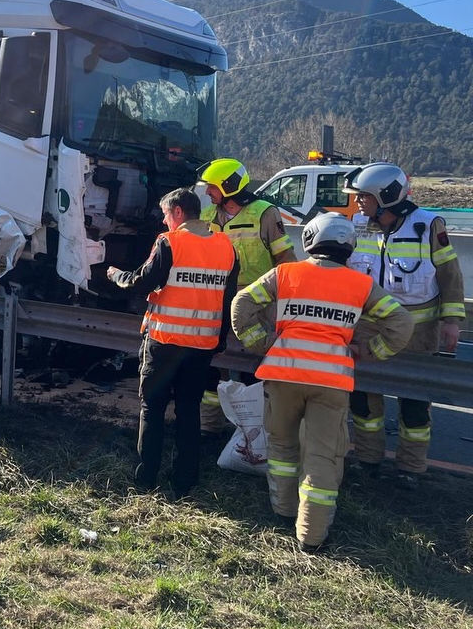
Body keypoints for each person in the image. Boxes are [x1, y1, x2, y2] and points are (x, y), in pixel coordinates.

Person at [231, 212, 412, 552]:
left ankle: (283, 512)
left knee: (283, 446)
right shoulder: (360, 284)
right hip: (332, 381)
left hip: (283, 375)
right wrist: (368, 350)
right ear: (349, 247)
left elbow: (242, 304)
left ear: (310, 241)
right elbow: (401, 323)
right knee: (322, 456)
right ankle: (311, 537)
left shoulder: (286, 273)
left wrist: (261, 342)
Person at [107, 187, 238, 498]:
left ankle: (146, 479)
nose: (164, 222)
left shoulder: (170, 242)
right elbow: (227, 299)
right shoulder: (226, 246)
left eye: (166, 215)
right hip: (202, 345)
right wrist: (218, 340)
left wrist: (115, 275)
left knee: (151, 408)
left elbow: (142, 282)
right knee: (189, 411)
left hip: (165, 341)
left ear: (178, 213)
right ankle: (184, 481)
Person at [342, 163, 466, 488]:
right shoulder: (359, 226)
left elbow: (450, 276)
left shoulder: (427, 225)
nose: (358, 203)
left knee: (413, 406)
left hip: (418, 334)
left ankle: (410, 468)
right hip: (369, 328)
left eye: (364, 197)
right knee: (364, 401)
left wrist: (451, 322)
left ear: (387, 196)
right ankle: (367, 461)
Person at [196, 157, 297, 433]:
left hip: (258, 306)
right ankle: (210, 427)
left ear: (228, 187)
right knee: (215, 367)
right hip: (217, 302)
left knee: (256, 368)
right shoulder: (207, 218)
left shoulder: (265, 214)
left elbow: (286, 260)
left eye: (212, 187)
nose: (207, 193)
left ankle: (256, 432)